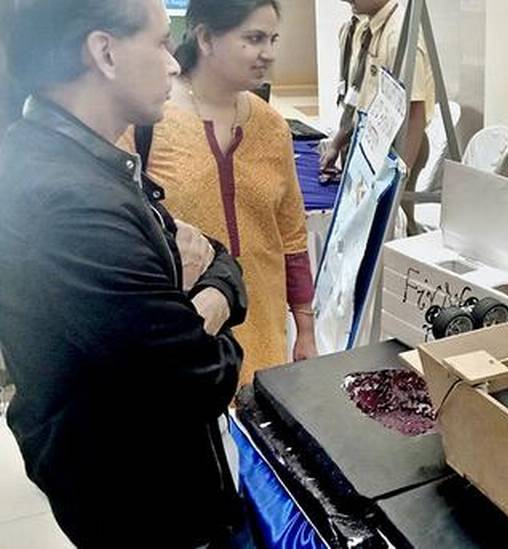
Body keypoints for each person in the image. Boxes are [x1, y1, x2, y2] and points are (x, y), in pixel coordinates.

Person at [0, 1, 251, 546]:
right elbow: (200, 377)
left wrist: (206, 294)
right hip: (140, 503)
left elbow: (217, 257)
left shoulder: (87, 158)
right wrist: (214, 306)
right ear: (105, 52)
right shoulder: (66, 204)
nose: (172, 65)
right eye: (161, 42)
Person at [129, 0, 317, 385]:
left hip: (265, 334)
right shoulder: (149, 123)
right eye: (254, 38)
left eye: (273, 39)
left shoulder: (271, 126)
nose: (268, 53)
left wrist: (306, 330)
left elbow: (292, 235)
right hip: (189, 338)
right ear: (206, 38)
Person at [321, 0, 434, 235]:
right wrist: (338, 143)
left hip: (400, 147)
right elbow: (358, 96)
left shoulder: (398, 34)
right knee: (367, 227)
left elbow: (415, 115)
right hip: (371, 144)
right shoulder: (366, 29)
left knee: (394, 224)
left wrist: (399, 177)